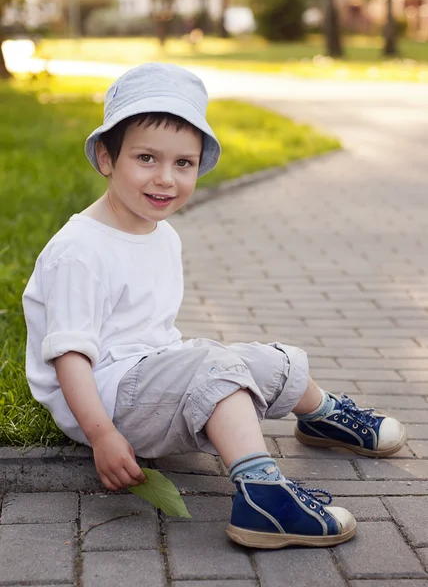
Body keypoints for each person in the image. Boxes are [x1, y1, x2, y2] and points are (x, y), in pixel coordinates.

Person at [22, 63, 407, 549]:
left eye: (183, 163)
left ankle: (322, 416)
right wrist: (101, 435)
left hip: (144, 377)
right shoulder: (81, 249)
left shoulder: (162, 234)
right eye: (146, 158)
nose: (166, 179)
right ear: (105, 157)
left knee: (259, 360)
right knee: (216, 367)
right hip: (103, 400)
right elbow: (70, 355)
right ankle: (264, 497)